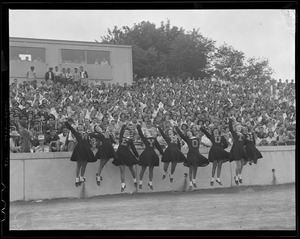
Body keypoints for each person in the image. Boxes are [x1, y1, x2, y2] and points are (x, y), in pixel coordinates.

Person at [175, 125, 209, 190]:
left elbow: (202, 134)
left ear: (191, 132)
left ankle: (194, 180)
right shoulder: (187, 139)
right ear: (186, 134)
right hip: (191, 155)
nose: (188, 133)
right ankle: (190, 183)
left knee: (196, 168)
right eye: (187, 133)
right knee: (191, 169)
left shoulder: (197, 138)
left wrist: (201, 128)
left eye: (189, 132)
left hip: (197, 154)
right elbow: (181, 134)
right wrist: (176, 128)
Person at [64, 121, 97, 187]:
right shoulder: (76, 133)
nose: (80, 128)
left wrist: (92, 144)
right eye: (79, 127)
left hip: (86, 149)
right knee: (79, 164)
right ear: (78, 128)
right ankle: (77, 178)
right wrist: (66, 123)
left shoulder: (87, 134)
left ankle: (81, 177)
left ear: (83, 128)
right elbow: (71, 128)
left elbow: (89, 142)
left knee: (85, 163)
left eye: (81, 126)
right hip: (79, 149)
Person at [112, 124, 139, 192]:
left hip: (127, 155)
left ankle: (135, 180)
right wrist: (123, 126)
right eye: (125, 131)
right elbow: (121, 132)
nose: (126, 132)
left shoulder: (130, 140)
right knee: (122, 170)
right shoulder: (121, 138)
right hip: (120, 155)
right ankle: (123, 185)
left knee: (131, 168)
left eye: (127, 132)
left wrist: (137, 156)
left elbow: (133, 149)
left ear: (129, 134)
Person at [136, 124, 164, 190]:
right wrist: (138, 127)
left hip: (150, 154)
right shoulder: (146, 139)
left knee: (150, 169)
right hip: (148, 153)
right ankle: (140, 182)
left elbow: (159, 147)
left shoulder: (154, 139)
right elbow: (140, 134)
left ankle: (150, 182)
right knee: (144, 168)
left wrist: (163, 154)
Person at [228, 118, 247, 185]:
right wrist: (231, 120)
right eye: (237, 127)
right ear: (235, 128)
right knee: (238, 166)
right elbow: (230, 127)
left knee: (242, 164)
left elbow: (243, 142)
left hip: (241, 150)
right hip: (236, 150)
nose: (239, 128)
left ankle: (239, 175)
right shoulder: (234, 133)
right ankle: (236, 176)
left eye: (239, 127)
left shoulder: (242, 135)